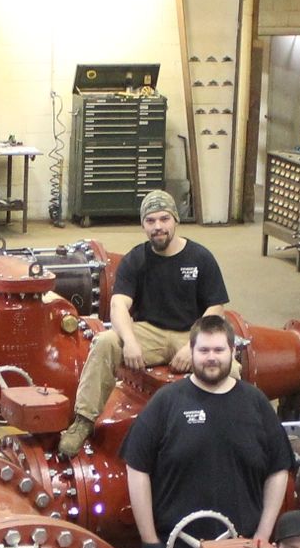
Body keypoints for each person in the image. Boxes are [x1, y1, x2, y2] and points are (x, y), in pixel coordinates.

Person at [123, 314, 293, 548]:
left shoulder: (256, 404)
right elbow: (137, 469)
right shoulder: (166, 402)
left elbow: (279, 468)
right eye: (203, 351)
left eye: (218, 350)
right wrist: (150, 542)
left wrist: (263, 535)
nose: (211, 358)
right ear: (192, 352)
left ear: (232, 352)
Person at [61, 190, 228, 458]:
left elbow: (216, 309)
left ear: (176, 220)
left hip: (190, 332)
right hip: (149, 331)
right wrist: (129, 342)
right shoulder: (136, 259)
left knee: (232, 371)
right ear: (143, 226)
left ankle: (229, 435)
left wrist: (194, 344)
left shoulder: (200, 258)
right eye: (150, 221)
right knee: (105, 342)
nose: (158, 227)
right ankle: (83, 421)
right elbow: (118, 305)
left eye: (164, 219)